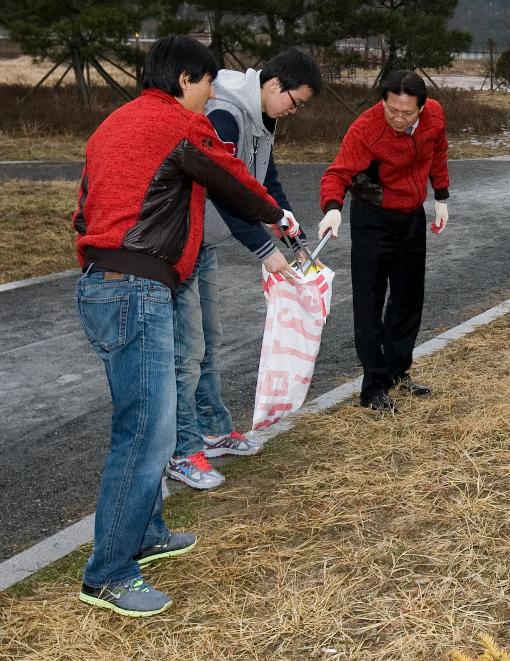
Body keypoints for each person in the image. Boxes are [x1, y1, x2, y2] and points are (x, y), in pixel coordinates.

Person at [74, 35, 292, 617]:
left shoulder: (111, 126)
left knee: (154, 419)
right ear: (185, 80)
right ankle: (109, 574)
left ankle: (145, 534)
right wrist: (277, 215)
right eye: (207, 83)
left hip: (103, 284)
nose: (211, 93)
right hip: (139, 288)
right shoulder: (179, 124)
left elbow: (82, 210)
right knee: (144, 434)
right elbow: (233, 179)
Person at [167, 50, 324, 490]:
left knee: (208, 343)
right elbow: (221, 187)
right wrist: (262, 247)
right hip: (182, 243)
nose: (295, 111)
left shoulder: (260, 120)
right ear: (275, 85)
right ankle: (181, 452)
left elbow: (263, 182)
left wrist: (292, 235)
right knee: (187, 352)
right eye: (296, 102)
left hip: (206, 245)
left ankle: (214, 431)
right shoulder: (226, 115)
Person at [318, 70, 450, 412]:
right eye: (392, 109)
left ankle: (396, 371)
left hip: (411, 218)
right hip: (372, 220)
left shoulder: (434, 114)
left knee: (408, 300)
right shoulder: (367, 128)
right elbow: (338, 172)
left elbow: (438, 150)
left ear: (422, 108)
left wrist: (442, 196)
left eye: (407, 112)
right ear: (383, 102)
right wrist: (333, 208)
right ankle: (373, 387)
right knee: (370, 303)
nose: (398, 118)